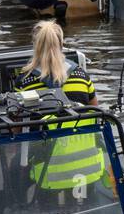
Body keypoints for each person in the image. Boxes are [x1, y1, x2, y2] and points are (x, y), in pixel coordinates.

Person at [19, 21, 105, 196]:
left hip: (49, 174)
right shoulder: (81, 76)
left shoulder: (26, 82)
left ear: (35, 46)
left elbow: (17, 128)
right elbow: (95, 113)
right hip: (88, 167)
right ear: (62, 44)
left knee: (14, 166)